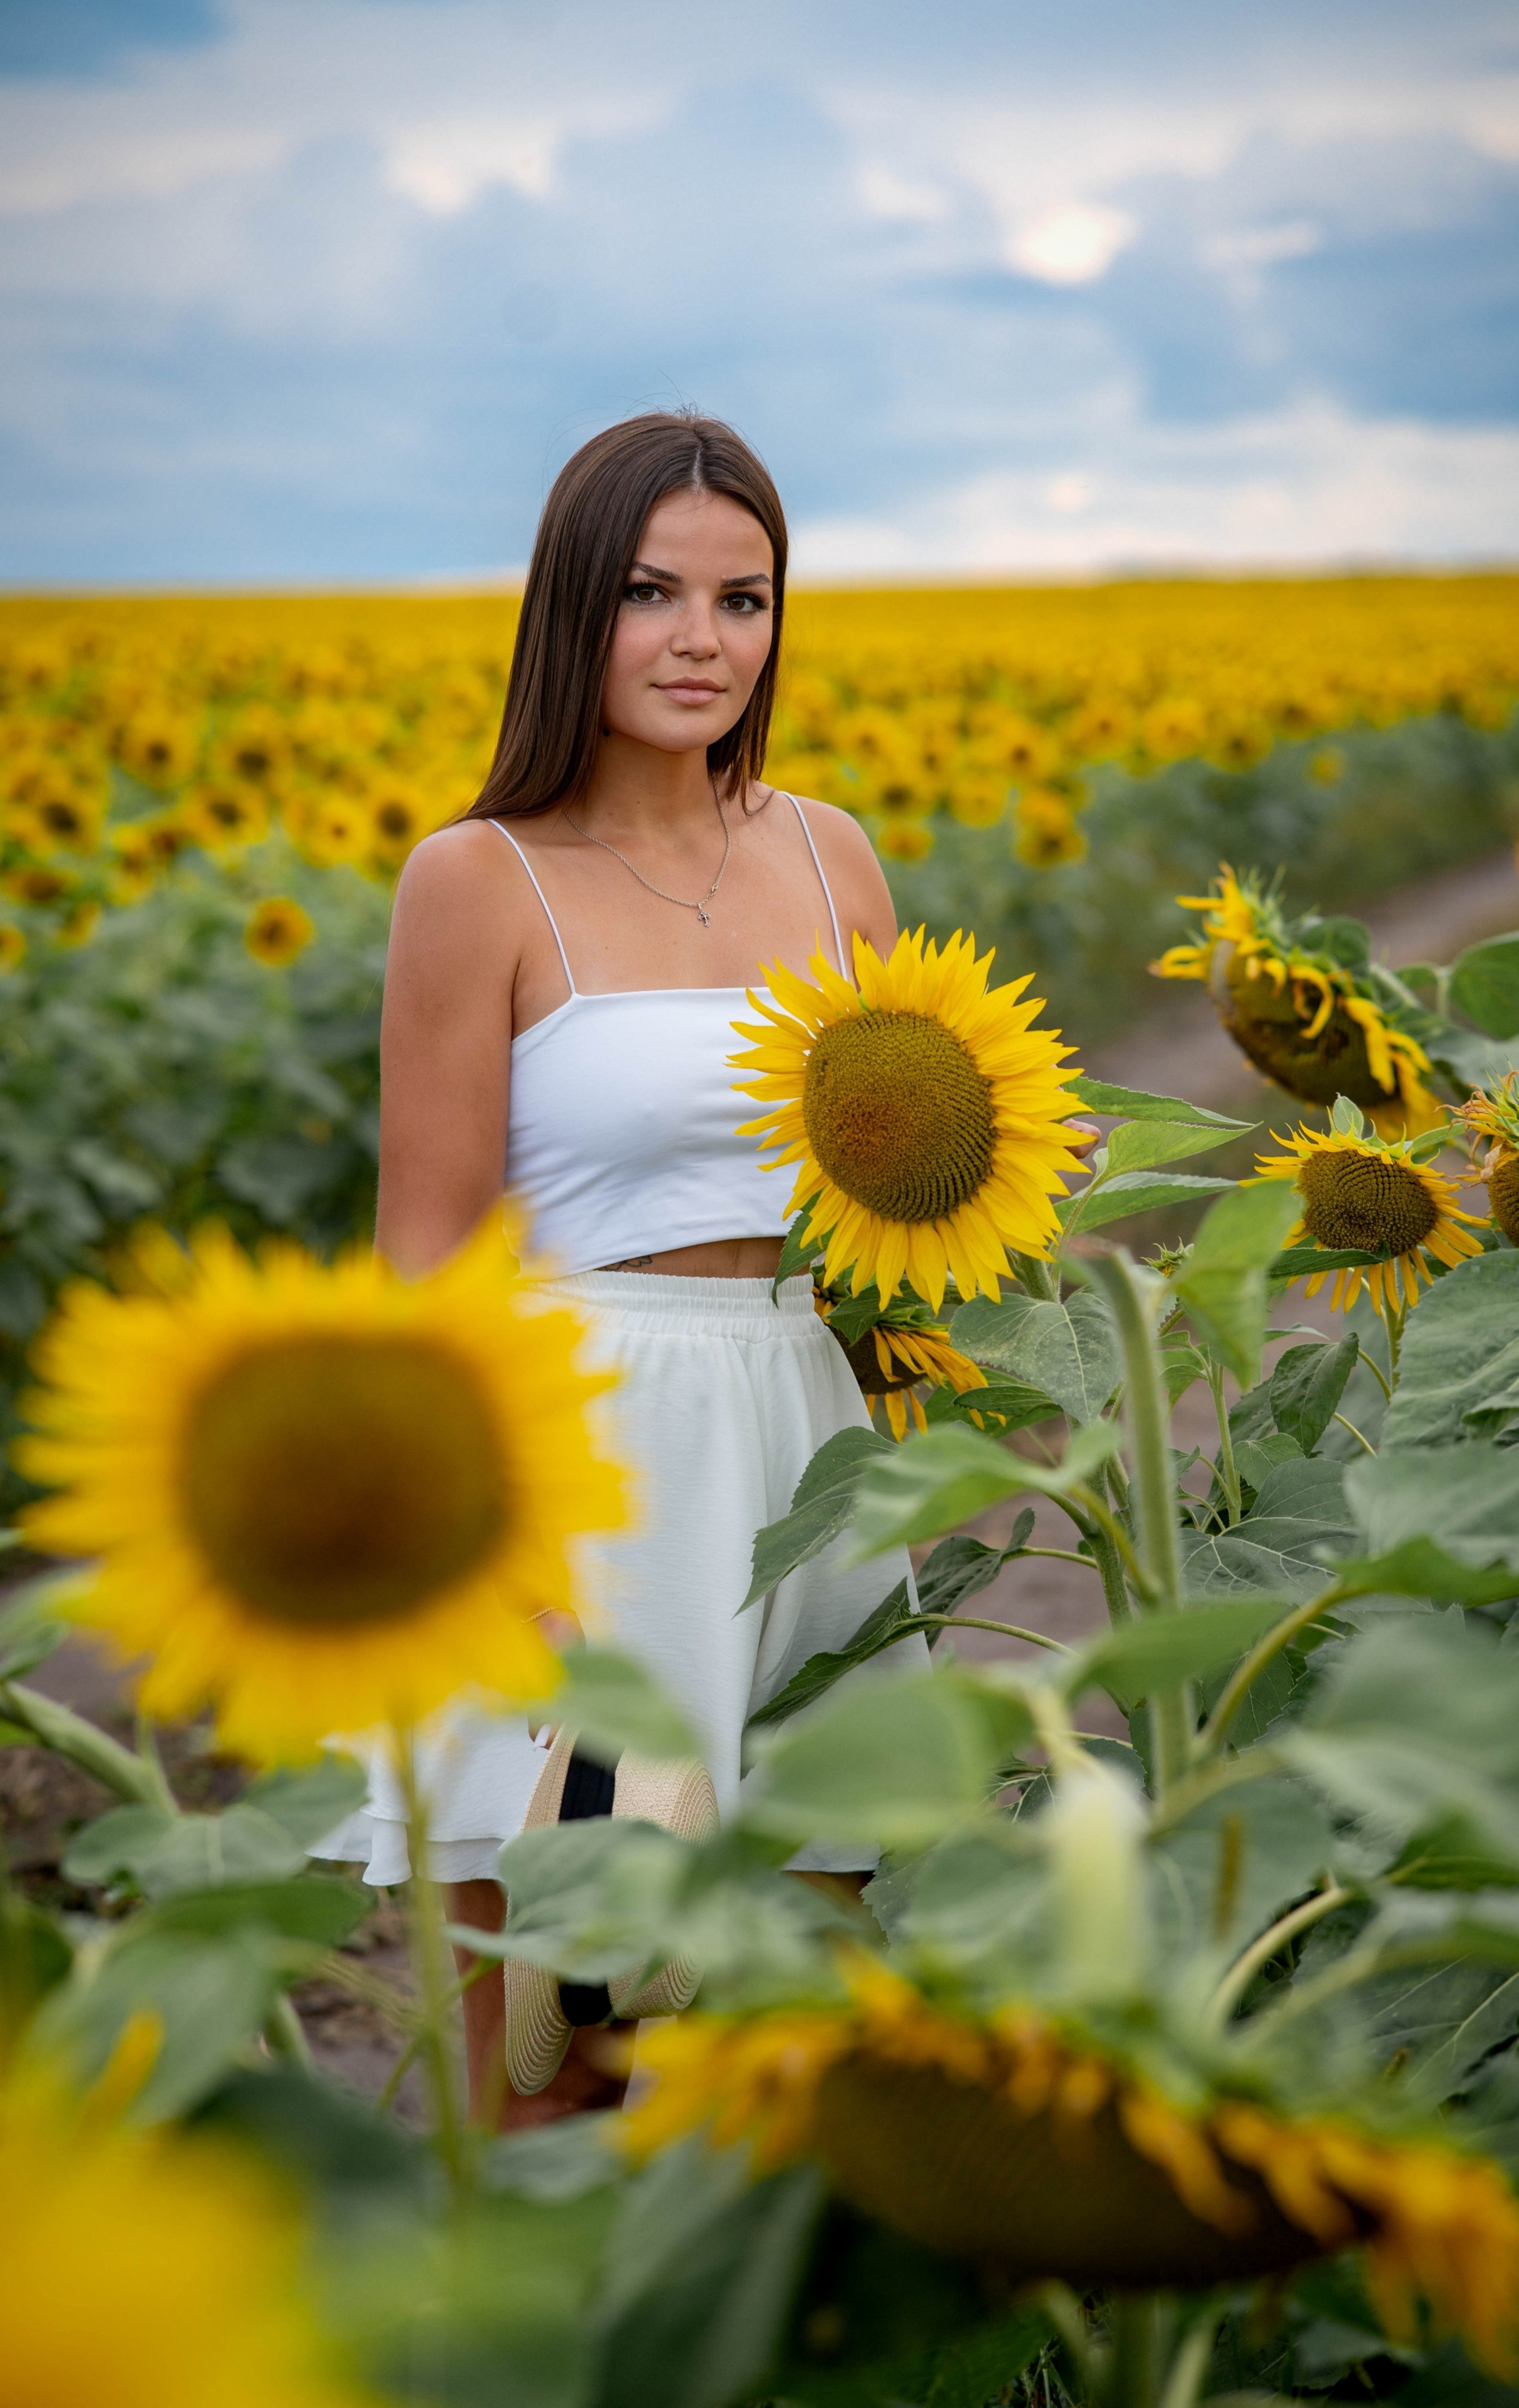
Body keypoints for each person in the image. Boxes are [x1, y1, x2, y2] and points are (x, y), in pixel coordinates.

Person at [312, 411, 923, 2128]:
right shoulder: (479, 879)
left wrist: (996, 1168)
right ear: (573, 606)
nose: (700, 641)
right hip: (578, 1464)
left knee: (802, 2031)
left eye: (744, 600)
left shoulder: (832, 857)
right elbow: (430, 1259)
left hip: (796, 1443)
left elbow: (896, 1161)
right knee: (558, 2055)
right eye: (652, 593)